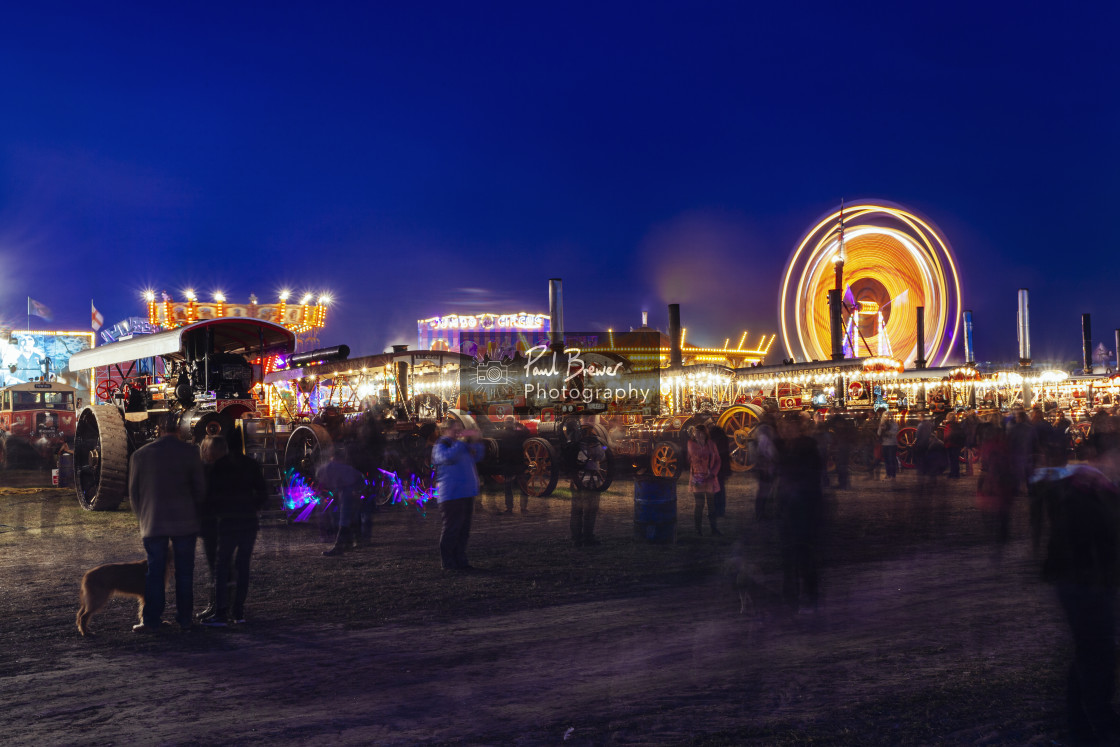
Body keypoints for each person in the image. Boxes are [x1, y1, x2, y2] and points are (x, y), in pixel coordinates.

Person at [1030, 441, 1120, 744]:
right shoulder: (1085, 490)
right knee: (1098, 653)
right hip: (1085, 583)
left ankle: (1082, 721)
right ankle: (1095, 723)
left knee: (1091, 651)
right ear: (1098, 457)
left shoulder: (1091, 487)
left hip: (1084, 581)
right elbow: (1083, 539)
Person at [127, 411, 206, 632]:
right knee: (184, 572)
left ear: (158, 430)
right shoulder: (191, 452)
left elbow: (134, 494)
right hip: (185, 521)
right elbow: (200, 489)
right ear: (179, 430)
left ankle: (151, 619)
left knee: (155, 572)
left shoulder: (141, 455)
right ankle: (185, 618)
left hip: (154, 521)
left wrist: (143, 517)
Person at [200, 430, 269, 626]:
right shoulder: (251, 465)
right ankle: (238, 611)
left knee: (222, 566)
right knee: (243, 566)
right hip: (248, 521)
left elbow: (209, 497)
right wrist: (252, 508)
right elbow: (263, 492)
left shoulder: (218, 467)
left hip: (227, 521)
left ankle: (221, 611)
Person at [775, 415, 825, 614]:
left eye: (788, 427)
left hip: (802, 509)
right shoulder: (788, 447)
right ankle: (796, 600)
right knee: (794, 559)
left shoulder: (805, 448)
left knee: (801, 558)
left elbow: (808, 477)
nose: (785, 431)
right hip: (793, 509)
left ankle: (805, 600)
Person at [432, 418, 485, 570]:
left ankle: (461, 560)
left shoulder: (461, 445)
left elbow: (478, 456)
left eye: (459, 430)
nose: (458, 433)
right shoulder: (441, 445)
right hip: (451, 494)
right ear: (445, 430)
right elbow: (446, 458)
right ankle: (448, 563)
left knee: (463, 530)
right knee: (452, 529)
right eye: (455, 430)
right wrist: (462, 442)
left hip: (465, 493)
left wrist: (477, 441)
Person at [316, 446, 365, 556]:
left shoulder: (330, 468)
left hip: (348, 492)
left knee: (344, 519)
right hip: (348, 492)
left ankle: (340, 547)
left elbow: (325, 483)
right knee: (346, 518)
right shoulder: (343, 468)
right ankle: (349, 543)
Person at [687, 424, 722, 536]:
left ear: (704, 433)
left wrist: (712, 473)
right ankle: (698, 530)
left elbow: (717, 460)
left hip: (710, 478)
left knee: (712, 505)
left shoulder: (711, 444)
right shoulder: (691, 444)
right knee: (699, 504)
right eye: (696, 433)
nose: (697, 435)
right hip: (698, 478)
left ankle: (714, 529)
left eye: (700, 433)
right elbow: (693, 457)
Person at [499, 417, 529, 513]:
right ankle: (523, 507)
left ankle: (509, 508)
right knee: (523, 486)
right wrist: (520, 425)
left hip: (508, 463)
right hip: (518, 462)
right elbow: (527, 432)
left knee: (508, 486)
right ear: (513, 424)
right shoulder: (518, 434)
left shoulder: (502, 434)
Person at [709, 421, 732, 519]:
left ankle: (716, 510)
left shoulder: (714, 442)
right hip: (723, 467)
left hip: (717, 468)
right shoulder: (723, 439)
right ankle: (720, 510)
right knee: (721, 489)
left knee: (715, 490)